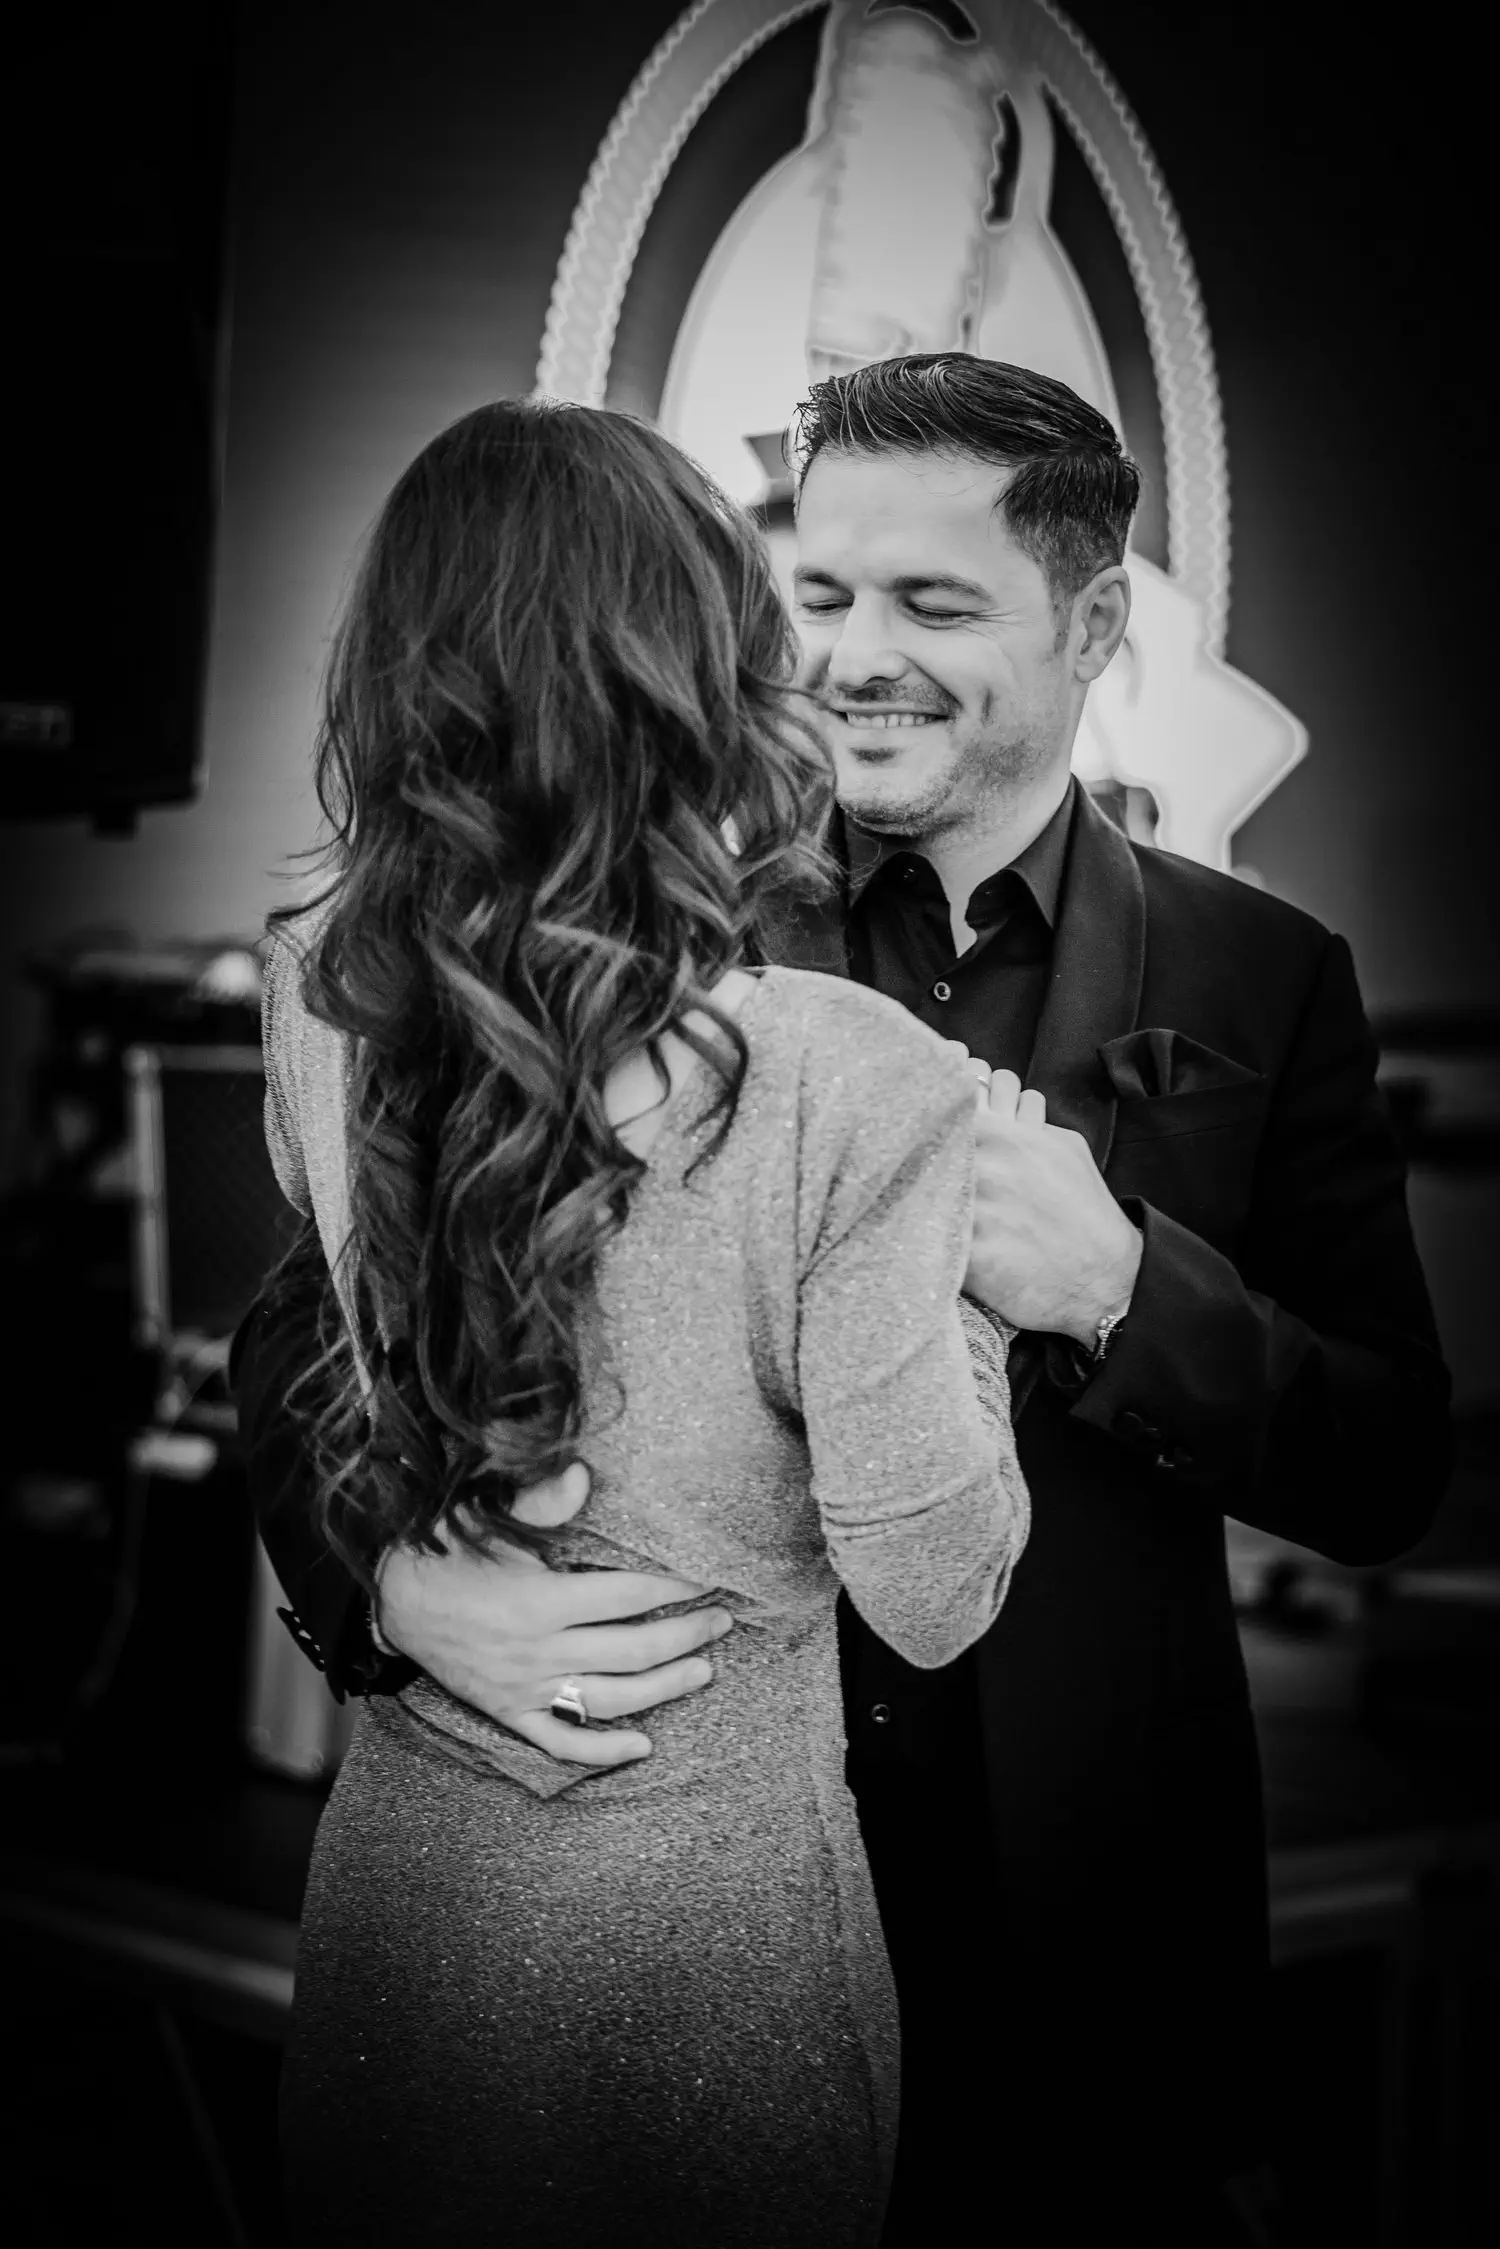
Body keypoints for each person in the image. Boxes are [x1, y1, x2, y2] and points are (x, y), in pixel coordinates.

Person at [235, 356, 1451, 2247]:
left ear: (1093, 628)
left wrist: (1125, 1291)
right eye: (822, 593)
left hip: (1075, 1941)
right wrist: (388, 1592)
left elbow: (1386, 1461)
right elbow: (300, 1334)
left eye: (935, 604)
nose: (856, 656)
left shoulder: (1265, 973)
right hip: (696, 1914)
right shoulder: (623, 918)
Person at [258, 394, 1031, 2249]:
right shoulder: (855, 1077)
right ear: (704, 673)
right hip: (717, 1967)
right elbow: (935, 1594)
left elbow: (334, 1348)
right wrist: (979, 1292)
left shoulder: (314, 997)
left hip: (404, 1932)